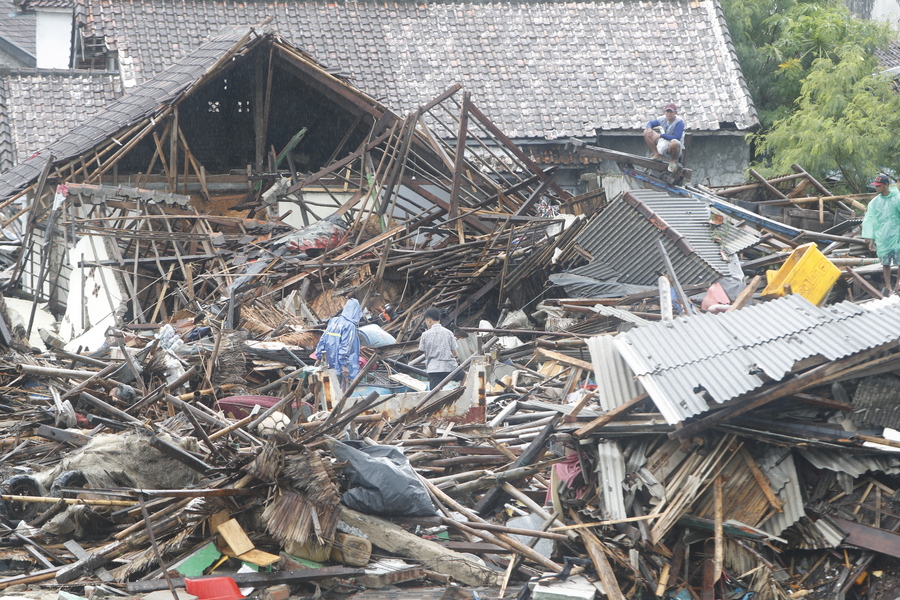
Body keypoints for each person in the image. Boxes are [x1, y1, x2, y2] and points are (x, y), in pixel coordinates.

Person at [862, 175, 900, 293]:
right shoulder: (874, 202)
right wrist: (871, 240)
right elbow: (871, 220)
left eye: (879, 186)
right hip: (883, 236)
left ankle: (898, 283)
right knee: (885, 262)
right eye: (875, 186)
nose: (876, 188)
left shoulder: (898, 198)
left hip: (897, 234)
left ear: (886, 185)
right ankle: (888, 286)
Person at [315, 297, 362, 386]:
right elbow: (346, 346)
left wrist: (319, 356)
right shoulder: (350, 326)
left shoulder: (333, 321)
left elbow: (323, 339)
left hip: (328, 363)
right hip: (340, 366)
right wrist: (344, 366)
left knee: (329, 389)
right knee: (340, 392)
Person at [418, 307, 459, 390]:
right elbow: (454, 352)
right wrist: (455, 360)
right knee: (464, 375)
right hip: (449, 367)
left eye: (426, 321)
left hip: (433, 369)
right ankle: (461, 392)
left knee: (434, 393)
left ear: (429, 320)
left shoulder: (425, 335)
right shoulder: (449, 333)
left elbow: (424, 352)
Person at [643, 103, 685, 173]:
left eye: (671, 112)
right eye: (667, 112)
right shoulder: (662, 119)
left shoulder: (679, 122)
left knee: (674, 143)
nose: (669, 114)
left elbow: (677, 137)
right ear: (664, 112)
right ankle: (657, 154)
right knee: (646, 132)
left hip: (675, 148)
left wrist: (661, 135)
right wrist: (649, 128)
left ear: (675, 113)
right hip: (664, 143)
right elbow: (650, 123)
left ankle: (672, 160)